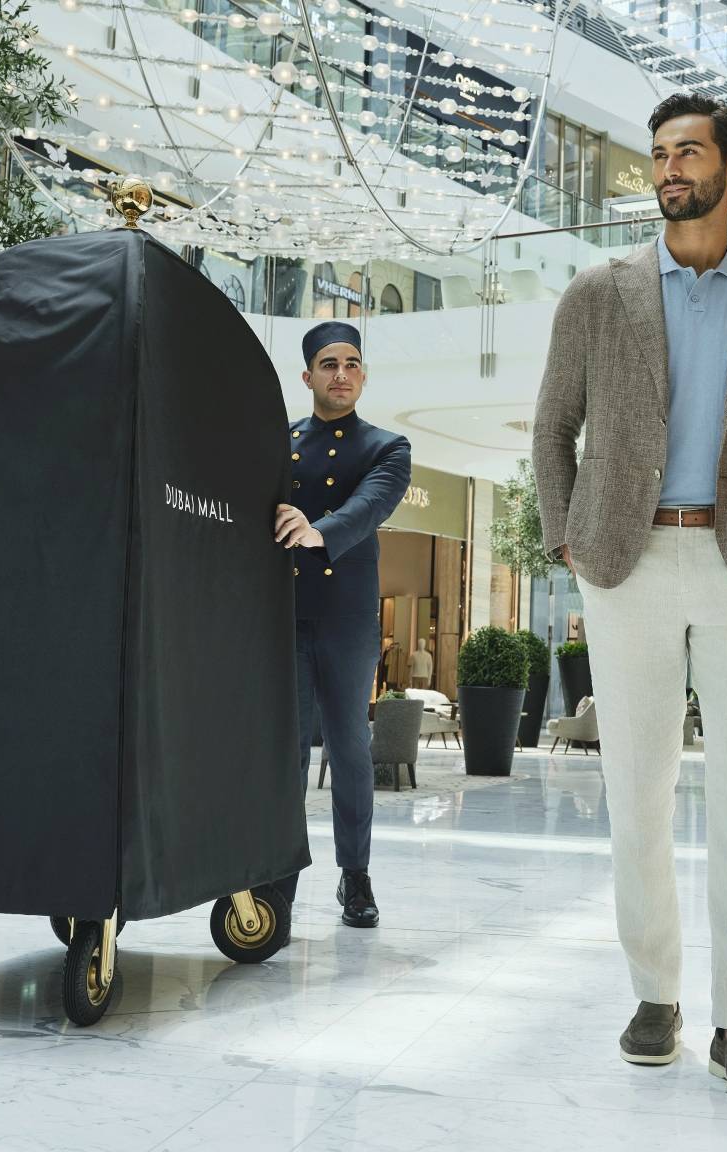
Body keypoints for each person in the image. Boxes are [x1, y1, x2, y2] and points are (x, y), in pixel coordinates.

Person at [531, 91, 727, 1099]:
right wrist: (564, 538)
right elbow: (549, 426)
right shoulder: (595, 295)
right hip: (627, 566)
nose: (666, 171)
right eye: (657, 154)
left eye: (686, 153)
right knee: (637, 793)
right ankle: (653, 992)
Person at [275, 320, 412, 930]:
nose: (342, 374)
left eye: (352, 363)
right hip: (283, 613)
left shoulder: (387, 447)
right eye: (329, 364)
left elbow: (368, 507)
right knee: (285, 752)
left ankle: (354, 877)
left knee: (349, 747)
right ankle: (277, 877)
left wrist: (316, 529)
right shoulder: (281, 442)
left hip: (347, 619)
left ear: (363, 374)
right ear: (308, 376)